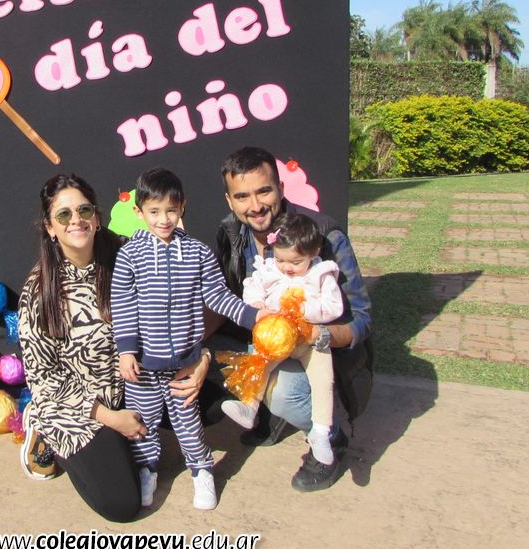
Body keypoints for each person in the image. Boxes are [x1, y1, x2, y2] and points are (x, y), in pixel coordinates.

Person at [17, 173, 210, 522]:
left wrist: (202, 359)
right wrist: (112, 419)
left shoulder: (130, 253)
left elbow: (189, 298)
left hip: (140, 382)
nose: (76, 220)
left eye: (84, 210)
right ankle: (42, 430)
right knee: (122, 504)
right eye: (63, 214)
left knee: (209, 404)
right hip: (79, 405)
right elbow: (43, 377)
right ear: (49, 226)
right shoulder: (39, 290)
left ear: (97, 215)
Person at [206, 146, 373, 493]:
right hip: (267, 341)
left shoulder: (323, 235)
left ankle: (330, 439)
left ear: (281, 189)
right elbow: (224, 302)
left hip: (317, 348)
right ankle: (270, 414)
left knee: (284, 393)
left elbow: (362, 319)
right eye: (242, 196)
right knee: (205, 352)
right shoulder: (230, 233)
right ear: (229, 200)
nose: (255, 205)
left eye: (264, 191)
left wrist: (317, 334)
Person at [111, 168, 269, 511]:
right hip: (142, 367)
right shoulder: (129, 256)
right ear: (139, 212)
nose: (163, 219)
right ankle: (147, 470)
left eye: (171, 210)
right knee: (143, 424)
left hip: (184, 364)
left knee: (189, 425)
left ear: (182, 207)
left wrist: (255, 318)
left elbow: (218, 296)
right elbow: (122, 306)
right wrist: (125, 351)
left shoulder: (198, 253)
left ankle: (202, 471)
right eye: (154, 211)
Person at [221, 212, 343, 469]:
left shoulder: (321, 274)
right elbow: (252, 284)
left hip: (309, 340)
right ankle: (249, 406)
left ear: (314, 253)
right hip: (278, 337)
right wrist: (255, 302)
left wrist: (305, 309)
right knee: (259, 363)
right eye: (280, 259)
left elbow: (334, 307)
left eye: (296, 262)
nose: (287, 267)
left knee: (323, 380)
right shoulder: (269, 269)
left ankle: (322, 432)